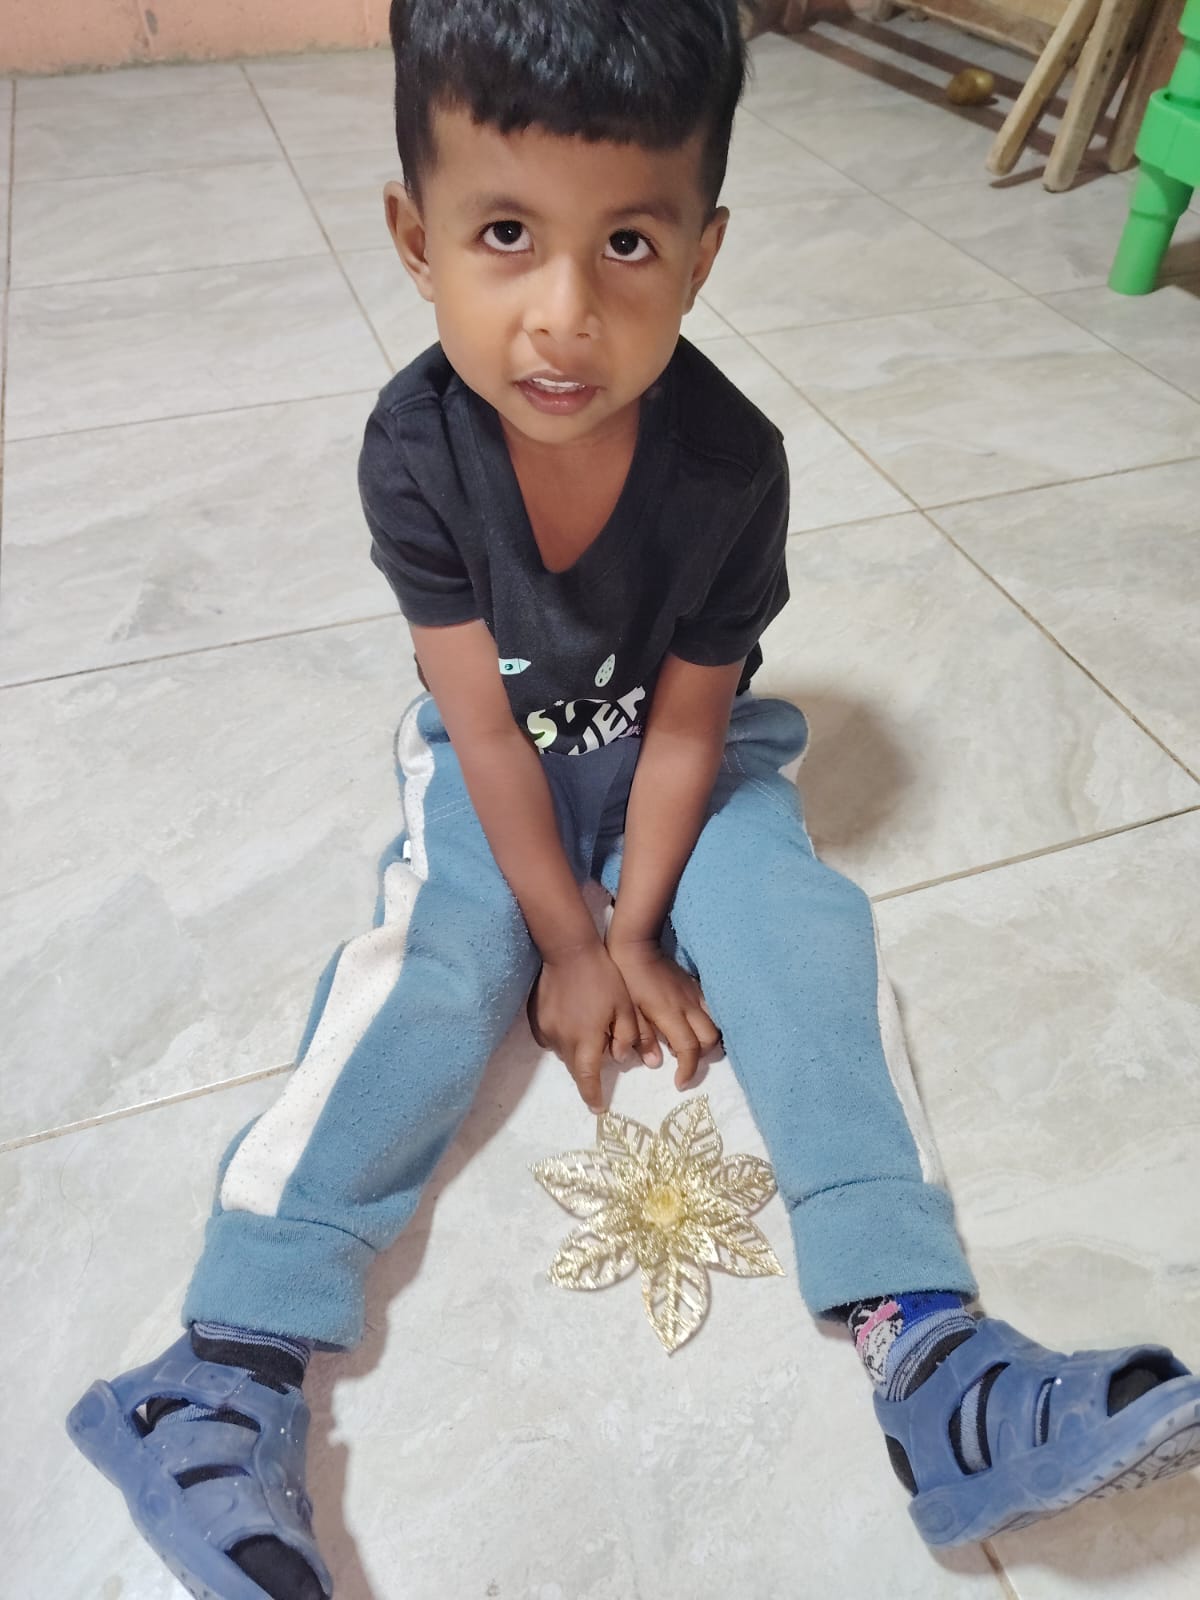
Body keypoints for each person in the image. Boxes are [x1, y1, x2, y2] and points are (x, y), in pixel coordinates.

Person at [67, 3, 1200, 1596]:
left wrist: (639, 930)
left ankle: (933, 1356)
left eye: (627, 245)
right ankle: (221, 1368)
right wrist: (562, 939)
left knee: (801, 931)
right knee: (436, 971)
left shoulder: (734, 465)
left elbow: (689, 727)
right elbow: (481, 729)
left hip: (685, 758)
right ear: (415, 236)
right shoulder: (413, 453)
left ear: (703, 253)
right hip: (506, 765)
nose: (564, 317)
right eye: (506, 236)